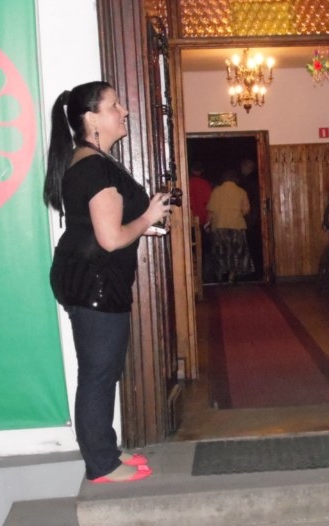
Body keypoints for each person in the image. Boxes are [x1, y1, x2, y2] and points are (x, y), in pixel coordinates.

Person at [43, 81, 172, 483]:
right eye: (115, 105)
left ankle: (106, 449)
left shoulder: (94, 160)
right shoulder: (93, 166)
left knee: (104, 369)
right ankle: (101, 465)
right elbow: (111, 239)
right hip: (94, 282)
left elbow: (106, 227)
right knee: (98, 373)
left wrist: (143, 225)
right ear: (91, 119)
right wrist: (147, 218)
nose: (124, 111)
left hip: (92, 277)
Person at [207, 169, 254, 284]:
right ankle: (231, 276)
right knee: (235, 252)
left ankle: (220, 276)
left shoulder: (216, 191)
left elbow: (211, 210)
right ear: (235, 179)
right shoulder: (241, 191)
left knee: (220, 251)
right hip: (236, 225)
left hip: (219, 226)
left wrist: (208, 224)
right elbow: (246, 210)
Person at [239, 158, 263, 277]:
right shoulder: (258, 179)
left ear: (247, 167)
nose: (241, 169)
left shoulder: (247, 182)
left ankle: (255, 272)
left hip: (252, 218)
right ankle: (259, 271)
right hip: (259, 217)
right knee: (258, 245)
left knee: (252, 245)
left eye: (242, 167)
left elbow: (247, 202)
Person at [188, 161, 211, 226]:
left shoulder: (187, 182)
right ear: (201, 171)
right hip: (202, 216)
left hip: (189, 215)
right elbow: (208, 200)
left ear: (192, 170)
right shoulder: (205, 183)